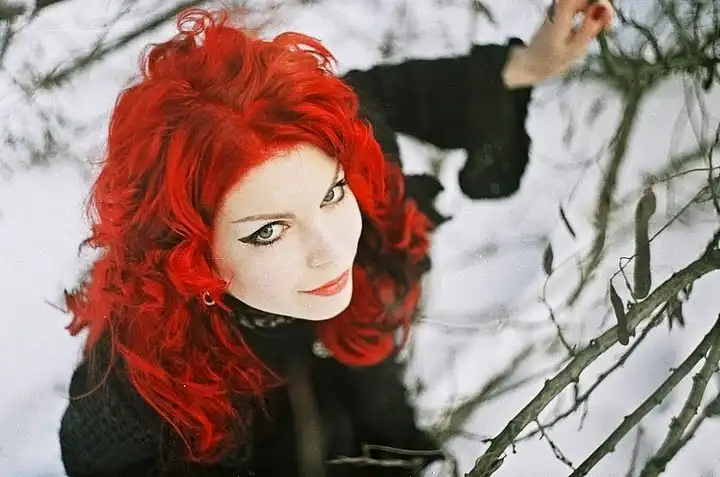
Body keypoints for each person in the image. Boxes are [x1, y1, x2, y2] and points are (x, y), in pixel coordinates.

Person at [57, 2, 614, 476]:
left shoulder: (335, 153)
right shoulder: (138, 387)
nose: (331, 250)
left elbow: (394, 95)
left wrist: (527, 65)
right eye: (269, 230)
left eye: (332, 194)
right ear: (188, 251)